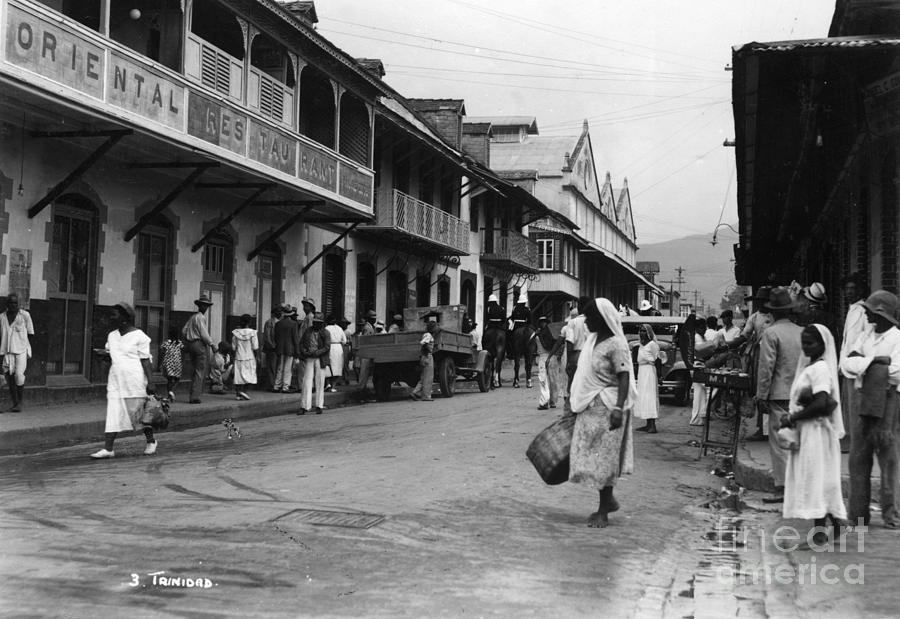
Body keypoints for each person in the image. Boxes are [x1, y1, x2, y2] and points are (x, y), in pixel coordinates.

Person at [568, 298, 637, 528]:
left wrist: (618, 408)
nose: (586, 322)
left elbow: (624, 376)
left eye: (590, 317)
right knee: (587, 457)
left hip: (609, 409)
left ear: (602, 319)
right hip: (591, 409)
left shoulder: (616, 344)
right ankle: (608, 500)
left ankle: (603, 509)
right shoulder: (593, 341)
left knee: (605, 459)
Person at [779, 324, 847, 545]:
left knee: (815, 479)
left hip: (815, 431)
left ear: (823, 345)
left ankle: (819, 534)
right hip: (809, 431)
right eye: (804, 342)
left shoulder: (820, 369)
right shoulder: (813, 366)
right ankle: (836, 524)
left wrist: (792, 418)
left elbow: (822, 402)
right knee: (820, 479)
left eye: (811, 343)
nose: (806, 347)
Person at [839, 290, 900, 527]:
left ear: (883, 314)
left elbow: (897, 372)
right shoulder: (866, 336)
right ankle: (857, 514)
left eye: (872, 313)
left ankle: (892, 514)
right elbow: (847, 363)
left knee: (889, 459)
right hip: (863, 401)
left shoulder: (896, 338)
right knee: (858, 458)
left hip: (889, 404)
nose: (868, 317)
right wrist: (876, 363)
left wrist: (865, 365)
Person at [90, 302, 157, 459]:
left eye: (115, 315)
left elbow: (145, 360)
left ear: (125, 318)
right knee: (113, 412)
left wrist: (151, 382)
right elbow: (111, 355)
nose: (111, 318)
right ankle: (108, 449)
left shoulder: (139, 336)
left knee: (138, 415)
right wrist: (104, 356)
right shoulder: (112, 336)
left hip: (134, 381)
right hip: (115, 381)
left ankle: (151, 441)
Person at [755, 287, 804, 501]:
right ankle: (798, 483)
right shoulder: (802, 332)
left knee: (779, 441)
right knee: (797, 440)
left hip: (779, 393)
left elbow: (766, 367)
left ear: (772, 312)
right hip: (800, 393)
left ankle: (783, 486)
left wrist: (761, 395)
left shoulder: (771, 333)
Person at [730, 287, 774, 440]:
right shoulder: (754, 318)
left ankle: (770, 430)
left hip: (776, 355)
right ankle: (763, 429)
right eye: (760, 301)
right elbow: (744, 335)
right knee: (760, 390)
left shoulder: (776, 315)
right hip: (760, 356)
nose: (763, 304)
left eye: (765, 301)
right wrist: (730, 345)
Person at [839, 273, 870, 453]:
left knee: (857, 404)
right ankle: (852, 439)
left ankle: (860, 442)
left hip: (858, 363)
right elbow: (846, 339)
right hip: (848, 364)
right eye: (847, 289)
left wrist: (857, 355)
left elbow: (866, 335)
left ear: (860, 290)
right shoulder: (852, 310)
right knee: (850, 404)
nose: (849, 292)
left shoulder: (864, 310)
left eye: (853, 289)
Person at [0, 292, 34, 413]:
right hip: (6, 351)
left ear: (18, 304)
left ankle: (19, 402)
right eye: (11, 303)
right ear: (7, 304)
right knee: (8, 378)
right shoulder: (2, 317)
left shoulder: (25, 315)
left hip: (21, 351)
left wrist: (25, 347)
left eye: (15, 303)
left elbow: (30, 333)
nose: (13, 305)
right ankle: (15, 403)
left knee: (19, 375)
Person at [181, 294, 215, 404]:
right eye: (204, 306)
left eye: (206, 306)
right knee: (200, 370)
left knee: (195, 369)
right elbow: (204, 334)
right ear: (200, 306)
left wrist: (189, 337)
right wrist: (212, 344)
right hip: (199, 344)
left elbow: (184, 331)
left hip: (191, 344)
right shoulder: (201, 317)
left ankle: (193, 393)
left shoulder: (192, 317)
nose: (205, 308)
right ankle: (195, 396)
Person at [299, 312, 331, 415]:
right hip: (310, 357)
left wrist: (317, 352)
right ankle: (304, 406)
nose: (316, 324)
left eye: (319, 323)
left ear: (322, 323)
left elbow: (327, 347)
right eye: (315, 322)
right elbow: (302, 343)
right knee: (306, 381)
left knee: (320, 382)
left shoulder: (325, 333)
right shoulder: (308, 331)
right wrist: (304, 351)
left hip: (320, 358)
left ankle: (319, 405)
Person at [634, 324, 661, 433]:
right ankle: (647, 424)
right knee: (644, 397)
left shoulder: (652, 345)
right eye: (640, 331)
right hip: (642, 372)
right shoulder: (640, 345)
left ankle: (652, 426)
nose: (642, 333)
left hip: (650, 372)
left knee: (650, 396)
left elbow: (658, 360)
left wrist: (660, 375)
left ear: (649, 333)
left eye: (644, 331)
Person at [411, 315, 439, 402]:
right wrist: (427, 351)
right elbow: (423, 343)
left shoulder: (426, 334)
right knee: (428, 377)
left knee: (423, 377)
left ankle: (415, 392)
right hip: (427, 356)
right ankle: (426, 396)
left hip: (424, 357)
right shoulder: (429, 335)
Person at [565, 297, 591, 391]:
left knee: (573, 384)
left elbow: (570, 343)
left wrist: (568, 362)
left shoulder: (572, 322)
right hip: (589, 356)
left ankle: (570, 403)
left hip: (576, 355)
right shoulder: (592, 322)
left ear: (579, 307)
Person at [231, 314, 259, 401]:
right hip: (249, 357)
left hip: (239, 357)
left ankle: (238, 394)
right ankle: (244, 392)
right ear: (250, 322)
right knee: (249, 375)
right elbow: (255, 347)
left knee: (238, 376)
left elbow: (233, 347)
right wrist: (257, 357)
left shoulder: (236, 333)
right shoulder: (253, 333)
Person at [273, 305, 300, 393]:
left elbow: (275, 337)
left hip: (280, 348)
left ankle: (277, 386)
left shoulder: (278, 324)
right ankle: (285, 386)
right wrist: (297, 351)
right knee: (288, 368)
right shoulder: (294, 324)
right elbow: (295, 339)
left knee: (280, 367)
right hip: (290, 348)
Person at [535, 316, 558, 410]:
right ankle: (553, 401)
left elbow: (544, 346)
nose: (542, 323)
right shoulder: (552, 333)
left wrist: (538, 334)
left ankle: (544, 402)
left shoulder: (539, 334)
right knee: (553, 379)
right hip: (553, 356)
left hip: (544, 357)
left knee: (543, 379)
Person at [690, 317, 709, 426]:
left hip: (701, 365)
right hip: (697, 365)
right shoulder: (696, 338)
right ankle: (699, 416)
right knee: (707, 390)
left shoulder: (702, 337)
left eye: (705, 327)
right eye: (702, 328)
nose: (705, 329)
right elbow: (701, 353)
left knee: (700, 394)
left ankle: (698, 418)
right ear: (697, 328)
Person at [356, 309, 378, 399]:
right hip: (366, 354)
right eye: (373, 318)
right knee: (364, 375)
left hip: (368, 353)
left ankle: (363, 394)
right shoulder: (368, 328)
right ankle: (361, 395)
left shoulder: (370, 327)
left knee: (365, 375)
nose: (375, 320)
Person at [158, 327, 184, 401]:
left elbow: (162, 352)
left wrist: (160, 363)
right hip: (177, 363)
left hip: (168, 363)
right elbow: (182, 353)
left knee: (169, 379)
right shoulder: (180, 343)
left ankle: (169, 392)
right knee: (177, 378)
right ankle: (171, 391)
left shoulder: (166, 343)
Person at [324, 315, 347, 392]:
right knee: (337, 366)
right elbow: (344, 341)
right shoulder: (339, 329)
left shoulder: (326, 328)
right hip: (338, 347)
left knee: (328, 365)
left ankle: (328, 384)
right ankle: (333, 386)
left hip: (329, 347)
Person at [262, 305, 281, 390]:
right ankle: (272, 384)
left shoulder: (278, 322)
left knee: (274, 367)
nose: (279, 313)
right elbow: (267, 336)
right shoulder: (270, 322)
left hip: (275, 348)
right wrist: (272, 345)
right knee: (272, 367)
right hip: (272, 348)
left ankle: (273, 384)